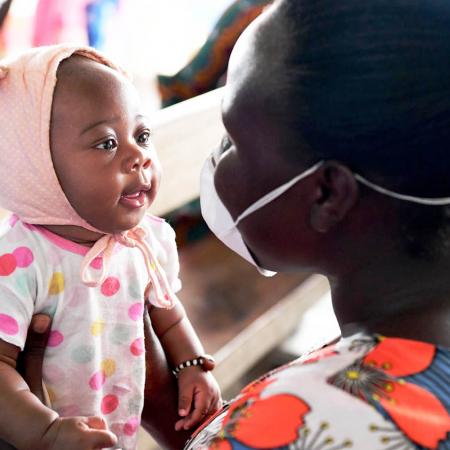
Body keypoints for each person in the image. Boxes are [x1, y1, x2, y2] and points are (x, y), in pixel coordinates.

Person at [15, 0, 450, 448]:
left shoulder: (303, 421)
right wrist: (175, 408)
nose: (142, 159)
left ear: (326, 194)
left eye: (234, 138)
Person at [0, 44, 221, 450]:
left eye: (142, 135)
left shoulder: (144, 241)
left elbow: (168, 317)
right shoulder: (19, 261)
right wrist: (44, 433)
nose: (138, 156)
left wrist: (192, 364)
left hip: (126, 428)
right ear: (35, 167)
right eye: (106, 144)